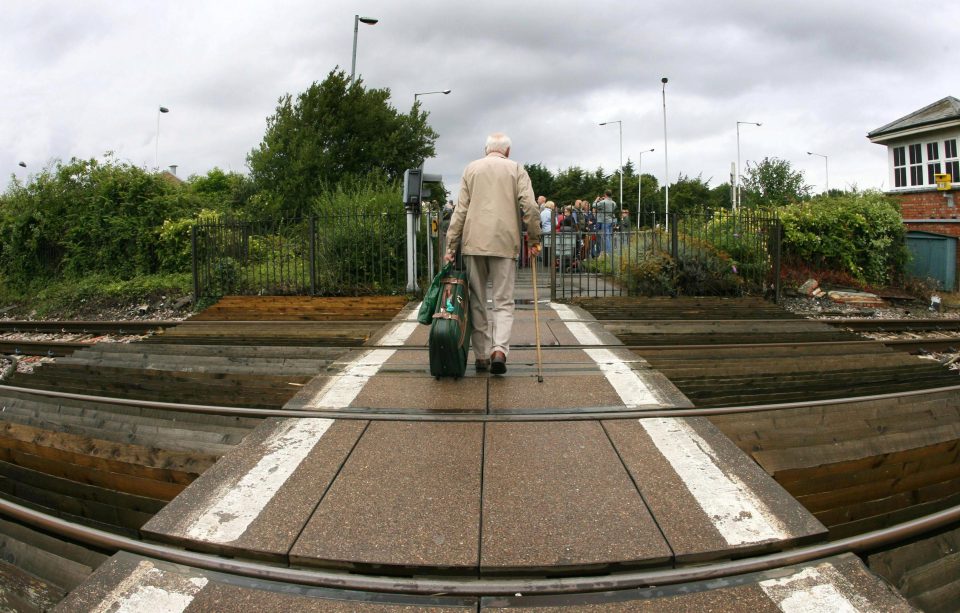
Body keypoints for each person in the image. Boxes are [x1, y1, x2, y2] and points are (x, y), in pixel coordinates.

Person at [444, 132, 541, 375]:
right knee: (503, 301)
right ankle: (499, 350)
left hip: (473, 243)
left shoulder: (471, 169)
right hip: (504, 243)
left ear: (486, 150)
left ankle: (480, 355)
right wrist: (534, 238)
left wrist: (450, 246)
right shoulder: (516, 169)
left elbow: (460, 211)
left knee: (477, 300)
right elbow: (529, 206)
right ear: (507, 151)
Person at [596, 190, 617, 255]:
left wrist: (597, 200)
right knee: (609, 237)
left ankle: (608, 252)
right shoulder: (614, 202)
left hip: (605, 221)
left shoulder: (603, 202)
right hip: (611, 221)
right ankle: (610, 251)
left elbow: (594, 205)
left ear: (605, 194)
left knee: (606, 237)